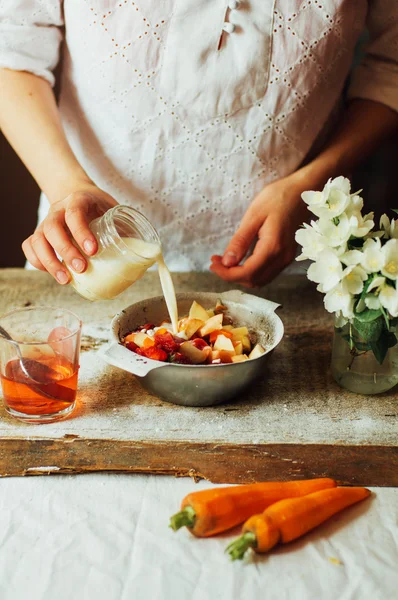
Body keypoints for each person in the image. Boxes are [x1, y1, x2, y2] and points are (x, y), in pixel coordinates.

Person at [0, 1, 397, 288]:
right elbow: (11, 54)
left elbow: (390, 63)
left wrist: (310, 185)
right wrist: (66, 186)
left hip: (293, 262)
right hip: (89, 250)